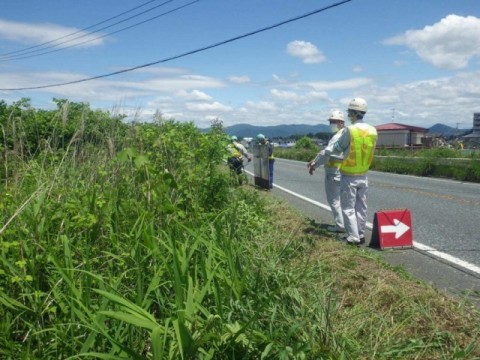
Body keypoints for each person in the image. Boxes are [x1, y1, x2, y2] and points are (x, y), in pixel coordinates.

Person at [324, 98, 377, 245]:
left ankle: (353, 238)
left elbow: (338, 147)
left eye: (349, 112)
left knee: (348, 207)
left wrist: (327, 153)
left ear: (353, 113)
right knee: (361, 206)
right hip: (364, 174)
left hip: (348, 174)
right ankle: (360, 234)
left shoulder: (350, 130)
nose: (348, 115)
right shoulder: (373, 130)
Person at [307, 110, 346, 233]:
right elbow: (325, 151)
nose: (331, 124)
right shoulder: (345, 134)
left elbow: (326, 153)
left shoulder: (337, 136)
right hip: (343, 171)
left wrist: (315, 164)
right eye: (330, 122)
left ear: (340, 122)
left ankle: (340, 226)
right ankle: (348, 225)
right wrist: (315, 160)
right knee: (344, 200)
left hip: (333, 172)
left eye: (332, 122)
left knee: (334, 200)